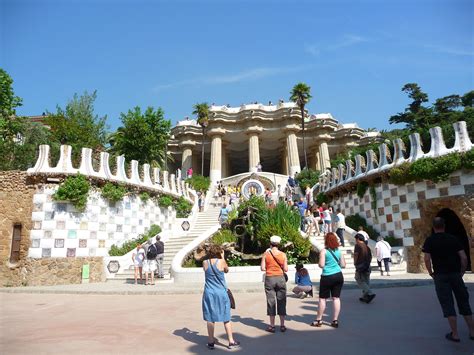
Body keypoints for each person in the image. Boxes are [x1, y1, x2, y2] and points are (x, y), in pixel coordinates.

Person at [423, 217, 474, 343]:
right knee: (463, 301)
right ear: (444, 226)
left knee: (447, 303)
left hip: (440, 275)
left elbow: (426, 259)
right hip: (455, 274)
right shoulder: (453, 239)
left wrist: (431, 273)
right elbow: (464, 257)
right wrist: (462, 271)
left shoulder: (430, 240)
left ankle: (455, 334)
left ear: (434, 227)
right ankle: (472, 332)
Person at [202, 244, 240, 349]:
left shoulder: (204, 263)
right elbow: (226, 270)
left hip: (209, 293)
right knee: (226, 316)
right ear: (219, 252)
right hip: (221, 293)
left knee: (210, 317)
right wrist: (222, 257)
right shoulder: (221, 262)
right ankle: (231, 341)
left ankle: (210, 342)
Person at [312, 232, 346, 328]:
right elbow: (343, 265)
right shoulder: (339, 251)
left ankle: (318, 319)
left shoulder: (324, 251)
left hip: (327, 276)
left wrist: (321, 263)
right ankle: (335, 320)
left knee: (323, 299)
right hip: (338, 275)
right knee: (336, 298)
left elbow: (321, 265)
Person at [261, 235, 288, 333]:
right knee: (282, 300)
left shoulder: (266, 254)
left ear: (270, 243)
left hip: (270, 278)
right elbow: (286, 269)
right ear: (279, 244)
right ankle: (282, 325)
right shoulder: (283, 254)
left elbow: (263, 268)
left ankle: (272, 326)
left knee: (271, 301)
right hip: (280, 278)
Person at [353, 234, 375, 303]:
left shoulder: (358, 246)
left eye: (356, 239)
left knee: (358, 279)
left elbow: (356, 255)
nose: (355, 241)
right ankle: (365, 296)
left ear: (358, 239)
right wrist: (368, 263)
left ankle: (370, 293)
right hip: (367, 266)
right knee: (366, 280)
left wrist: (355, 262)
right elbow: (371, 256)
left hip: (360, 266)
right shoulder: (367, 247)